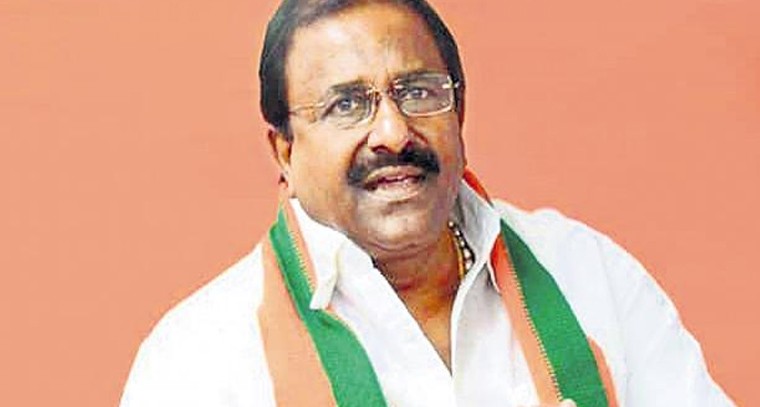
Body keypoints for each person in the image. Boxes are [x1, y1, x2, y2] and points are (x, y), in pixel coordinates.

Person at [119, 0, 734, 406]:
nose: (392, 133)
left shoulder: (586, 273)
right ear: (285, 151)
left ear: (458, 113)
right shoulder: (199, 359)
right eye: (345, 105)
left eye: (417, 91)